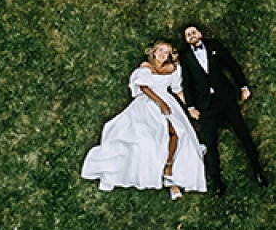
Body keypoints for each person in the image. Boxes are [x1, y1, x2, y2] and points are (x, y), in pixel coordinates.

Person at [80, 40, 207, 199]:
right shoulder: (146, 66)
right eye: (160, 50)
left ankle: (170, 172)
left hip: (168, 102)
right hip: (148, 103)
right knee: (152, 140)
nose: (162, 54)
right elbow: (144, 88)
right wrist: (160, 103)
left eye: (166, 52)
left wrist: (190, 107)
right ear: (154, 51)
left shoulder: (173, 69)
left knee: (181, 135)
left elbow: (177, 90)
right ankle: (167, 175)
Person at [175, 24, 265, 195]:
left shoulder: (214, 46)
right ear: (186, 41)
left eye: (194, 32)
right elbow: (186, 83)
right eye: (188, 35)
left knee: (242, 133)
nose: (192, 35)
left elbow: (232, 65)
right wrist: (191, 107)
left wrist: (243, 86)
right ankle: (217, 182)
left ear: (200, 34)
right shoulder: (185, 57)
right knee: (210, 143)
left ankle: (257, 170)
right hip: (206, 106)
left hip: (225, 99)